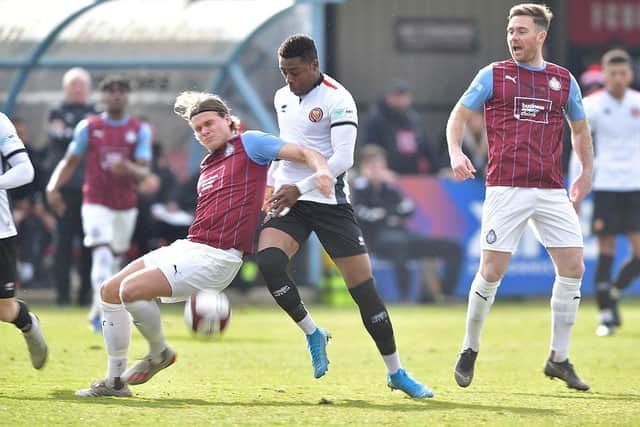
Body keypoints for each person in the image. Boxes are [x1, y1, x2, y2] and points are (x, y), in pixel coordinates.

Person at [73, 91, 333, 397]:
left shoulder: (250, 142)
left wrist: (323, 171)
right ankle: (115, 381)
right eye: (197, 129)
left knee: (130, 291)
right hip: (190, 246)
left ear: (227, 120)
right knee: (109, 291)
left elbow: (304, 153)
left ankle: (159, 353)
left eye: (209, 123)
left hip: (218, 257)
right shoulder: (209, 163)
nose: (203, 132)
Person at [257, 34, 433, 398]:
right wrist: (274, 185)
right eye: (283, 72)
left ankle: (396, 372)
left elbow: (342, 160)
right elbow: (283, 146)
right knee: (270, 262)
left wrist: (299, 187)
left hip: (329, 203)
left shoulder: (338, 99)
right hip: (290, 198)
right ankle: (313, 333)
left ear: (314, 65)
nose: (288, 80)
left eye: (294, 72)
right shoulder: (281, 97)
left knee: (363, 292)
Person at [446, 4, 593, 391]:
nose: (514, 37)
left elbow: (580, 130)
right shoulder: (493, 75)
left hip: (550, 189)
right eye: (511, 31)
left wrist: (586, 173)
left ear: (541, 36)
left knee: (574, 267)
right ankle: (469, 348)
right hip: (506, 187)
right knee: (492, 271)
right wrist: (456, 153)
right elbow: (458, 116)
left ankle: (558, 359)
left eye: (522, 31)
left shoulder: (562, 80)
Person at [46, 75, 152, 333]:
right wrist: (52, 186)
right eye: (111, 91)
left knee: (115, 259)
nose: (116, 95)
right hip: (95, 201)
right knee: (101, 253)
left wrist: (127, 167)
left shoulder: (139, 129)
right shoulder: (89, 127)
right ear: (102, 97)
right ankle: (104, 311)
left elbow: (143, 172)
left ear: (126, 97)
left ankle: (98, 307)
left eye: (121, 91)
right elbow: (70, 160)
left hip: (125, 204)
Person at [578, 49, 640, 336]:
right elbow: (578, 145)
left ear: (630, 75)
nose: (617, 78)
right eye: (612, 73)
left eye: (622, 73)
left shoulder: (637, 103)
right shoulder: (591, 106)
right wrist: (575, 187)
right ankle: (605, 316)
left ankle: (614, 291)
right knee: (606, 251)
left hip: (634, 186)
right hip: (605, 186)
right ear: (604, 75)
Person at [352, 145, 463, 301]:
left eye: (380, 165)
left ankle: (445, 294)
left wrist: (385, 213)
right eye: (373, 165)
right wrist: (391, 214)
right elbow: (361, 214)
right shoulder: (358, 187)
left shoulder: (390, 187)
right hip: (378, 240)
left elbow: (408, 208)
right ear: (364, 168)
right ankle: (405, 298)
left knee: (453, 248)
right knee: (399, 246)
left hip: (405, 236)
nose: (378, 170)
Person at [0, 112, 48, 370]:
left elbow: (25, 170)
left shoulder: (0, 122)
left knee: (4, 310)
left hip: (0, 231)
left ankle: (27, 323)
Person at [47, 67, 98, 307]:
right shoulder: (57, 112)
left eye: (81, 85)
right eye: (73, 85)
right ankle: (62, 297)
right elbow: (60, 137)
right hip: (64, 191)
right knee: (63, 245)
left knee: (90, 245)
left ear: (87, 89)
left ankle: (85, 297)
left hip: (91, 190)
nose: (77, 89)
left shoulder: (96, 113)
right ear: (66, 88)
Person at [364, 79, 441, 175]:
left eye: (403, 95)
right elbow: (370, 149)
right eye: (396, 95)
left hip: (414, 178)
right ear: (388, 96)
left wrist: (439, 170)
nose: (400, 99)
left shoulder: (414, 120)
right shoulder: (376, 119)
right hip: (387, 177)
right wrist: (380, 171)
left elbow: (428, 149)